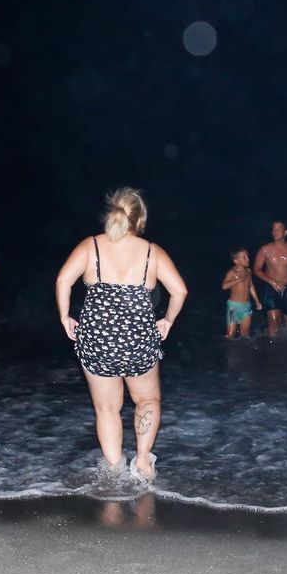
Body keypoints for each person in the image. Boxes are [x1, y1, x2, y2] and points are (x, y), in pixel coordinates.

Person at [55, 188, 188, 483]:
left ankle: (114, 469)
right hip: (138, 340)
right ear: (140, 219)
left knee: (106, 408)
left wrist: (65, 317)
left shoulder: (91, 246)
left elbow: (64, 279)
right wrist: (167, 320)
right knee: (147, 400)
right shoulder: (152, 252)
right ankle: (142, 463)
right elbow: (180, 290)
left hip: (96, 341)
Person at [221, 248, 262, 338]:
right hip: (233, 308)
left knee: (245, 334)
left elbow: (251, 286)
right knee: (230, 334)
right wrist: (238, 280)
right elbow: (224, 286)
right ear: (236, 260)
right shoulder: (232, 272)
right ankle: (229, 350)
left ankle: (243, 351)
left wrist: (257, 301)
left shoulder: (248, 271)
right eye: (244, 257)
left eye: (247, 256)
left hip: (246, 307)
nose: (248, 259)